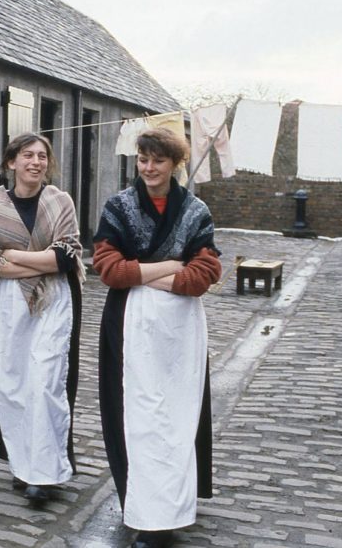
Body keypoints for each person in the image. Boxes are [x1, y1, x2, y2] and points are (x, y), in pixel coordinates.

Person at [92, 127, 221, 548]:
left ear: (175, 163)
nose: (149, 168)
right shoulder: (119, 207)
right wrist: (169, 266)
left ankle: (173, 507)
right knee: (139, 416)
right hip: (129, 323)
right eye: (143, 159)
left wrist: (147, 273)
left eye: (158, 160)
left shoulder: (195, 211)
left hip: (181, 326)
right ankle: (147, 514)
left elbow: (206, 273)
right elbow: (109, 269)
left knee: (177, 416)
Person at [0, 132, 85, 505]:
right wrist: (33, 260)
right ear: (11, 162)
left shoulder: (60, 201)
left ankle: (44, 475)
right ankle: (22, 464)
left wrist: (16, 255)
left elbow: (65, 258)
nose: (36, 162)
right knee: (14, 383)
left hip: (55, 299)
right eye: (27, 155)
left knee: (46, 382)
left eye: (42, 156)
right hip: (13, 301)